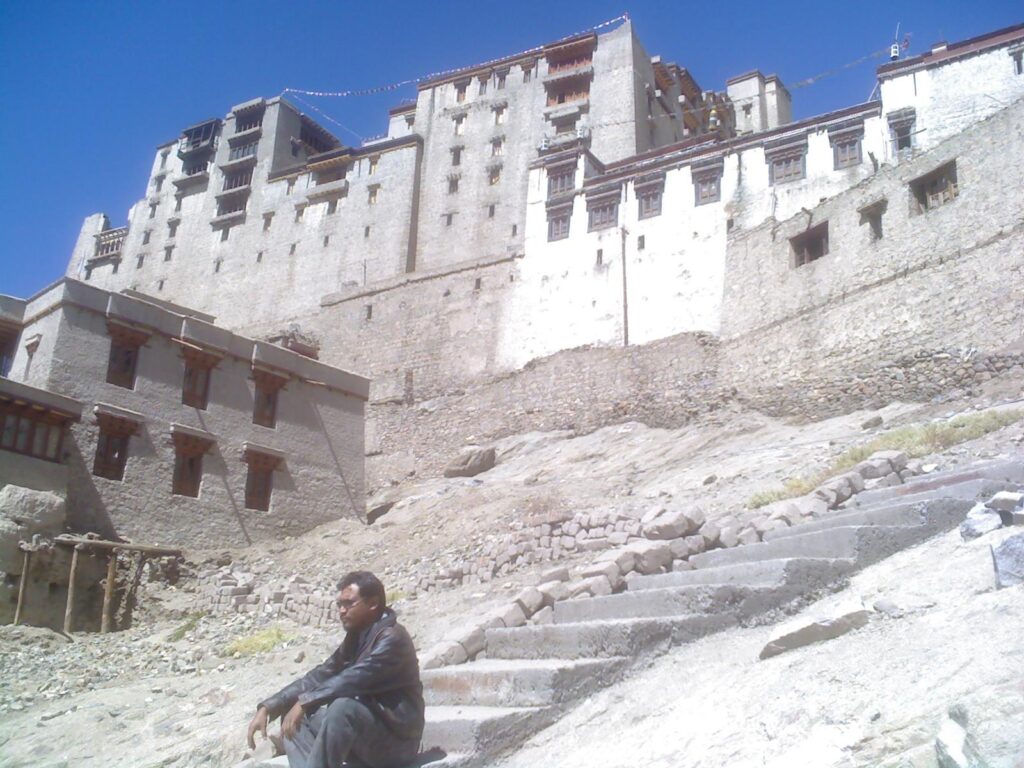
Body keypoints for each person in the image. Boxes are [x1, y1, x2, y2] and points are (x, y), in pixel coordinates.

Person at [247, 571, 424, 768]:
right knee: (293, 716)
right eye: (339, 604)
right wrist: (269, 706)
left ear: (373, 603)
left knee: (343, 707)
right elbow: (321, 675)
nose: (341, 610)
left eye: (348, 603)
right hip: (369, 737)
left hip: (398, 744)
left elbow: (354, 678)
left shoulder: (392, 639)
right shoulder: (358, 637)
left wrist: (306, 701)